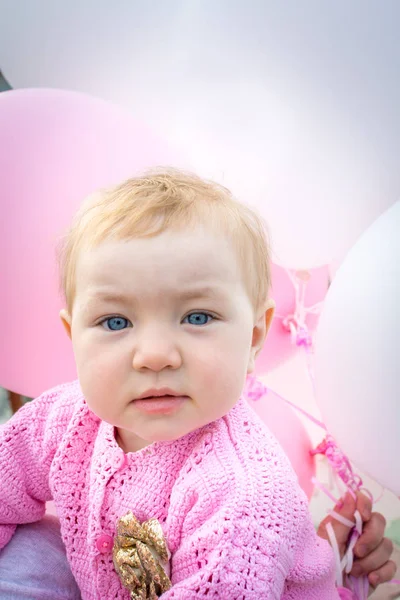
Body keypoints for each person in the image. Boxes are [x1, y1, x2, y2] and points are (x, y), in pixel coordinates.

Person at [0, 170, 396, 599]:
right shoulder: (65, 418)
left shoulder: (243, 499)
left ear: (253, 337)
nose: (154, 354)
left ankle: (322, 576)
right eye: (116, 322)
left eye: (197, 317)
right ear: (73, 336)